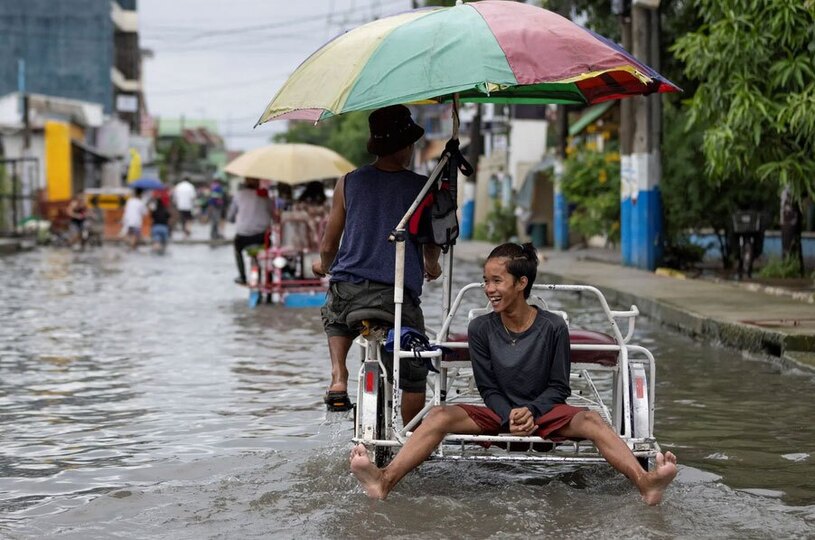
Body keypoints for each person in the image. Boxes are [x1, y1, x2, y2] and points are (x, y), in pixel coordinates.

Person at [350, 242, 678, 505]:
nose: (488, 288)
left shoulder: (553, 326)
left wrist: (532, 411)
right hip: (498, 409)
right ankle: (384, 479)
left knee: (593, 420)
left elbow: (558, 387)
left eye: (497, 281)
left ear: (521, 283)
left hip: (546, 411)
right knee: (437, 415)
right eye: (486, 281)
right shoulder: (480, 328)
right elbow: (487, 387)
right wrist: (510, 415)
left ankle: (646, 482)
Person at [311, 104, 442, 416]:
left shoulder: (348, 182)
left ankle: (339, 376)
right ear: (407, 146)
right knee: (413, 373)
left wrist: (324, 266)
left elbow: (330, 243)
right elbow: (433, 240)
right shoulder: (423, 187)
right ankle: (411, 440)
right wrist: (432, 265)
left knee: (334, 316)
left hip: (350, 291)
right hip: (396, 298)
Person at [227, 177, 275, 284]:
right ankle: (269, 278)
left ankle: (242, 276)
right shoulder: (266, 197)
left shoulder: (238, 195)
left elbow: (230, 217)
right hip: (262, 237)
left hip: (243, 237)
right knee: (269, 255)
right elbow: (275, 216)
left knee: (237, 250)